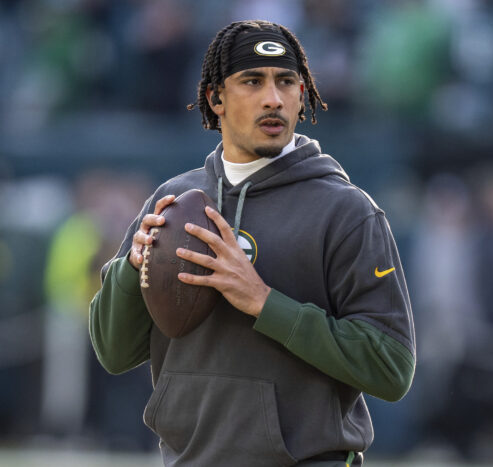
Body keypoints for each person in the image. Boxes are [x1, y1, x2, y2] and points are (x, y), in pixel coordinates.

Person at [89, 20, 415, 466]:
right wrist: (131, 268)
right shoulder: (172, 201)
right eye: (252, 81)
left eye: (286, 82)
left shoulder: (348, 212)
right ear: (215, 99)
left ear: (303, 96)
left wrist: (265, 303)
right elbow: (112, 351)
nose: (273, 99)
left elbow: (393, 367)